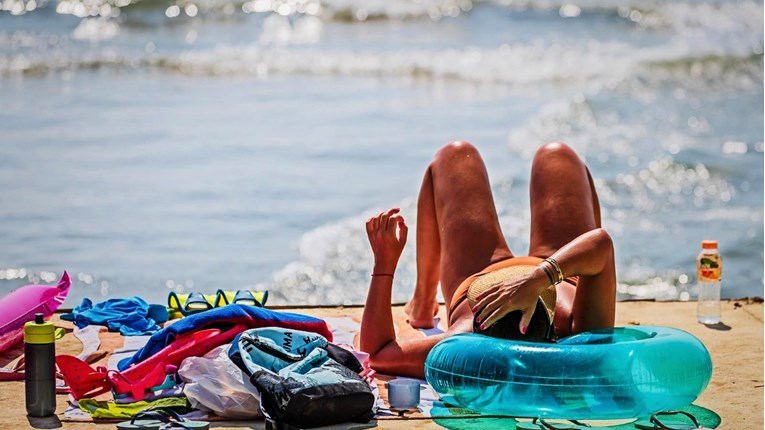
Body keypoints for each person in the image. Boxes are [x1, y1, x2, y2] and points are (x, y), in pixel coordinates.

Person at [359, 141, 616, 378]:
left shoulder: (461, 344)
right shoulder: (581, 340)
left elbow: (376, 353)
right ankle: (425, 301)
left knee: (454, 155)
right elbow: (600, 243)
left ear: (477, 329)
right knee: (559, 154)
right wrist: (539, 277)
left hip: (481, 270)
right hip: (558, 272)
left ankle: (423, 303)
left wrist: (384, 264)